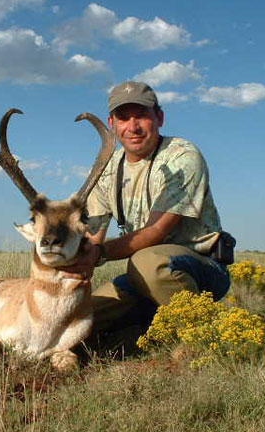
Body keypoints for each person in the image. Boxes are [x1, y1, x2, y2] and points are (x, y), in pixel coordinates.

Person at [66, 81, 231, 331]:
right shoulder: (106, 168)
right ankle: (150, 321)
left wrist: (96, 255)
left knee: (147, 262)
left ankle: (204, 335)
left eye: (141, 115)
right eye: (123, 118)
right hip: (143, 276)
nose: (133, 127)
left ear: (159, 118)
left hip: (201, 268)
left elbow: (156, 232)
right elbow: (93, 237)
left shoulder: (182, 156)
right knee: (80, 318)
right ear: (112, 124)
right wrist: (72, 257)